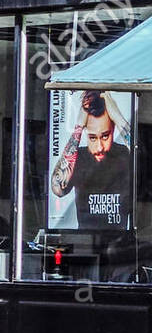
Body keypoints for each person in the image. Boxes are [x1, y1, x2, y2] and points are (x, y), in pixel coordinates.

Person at [49, 90, 132, 231]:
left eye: (105, 136)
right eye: (92, 138)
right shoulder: (78, 157)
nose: (99, 147)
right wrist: (79, 127)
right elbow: (58, 188)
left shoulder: (124, 153)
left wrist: (117, 117)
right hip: (85, 241)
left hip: (120, 240)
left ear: (113, 130)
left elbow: (146, 164)